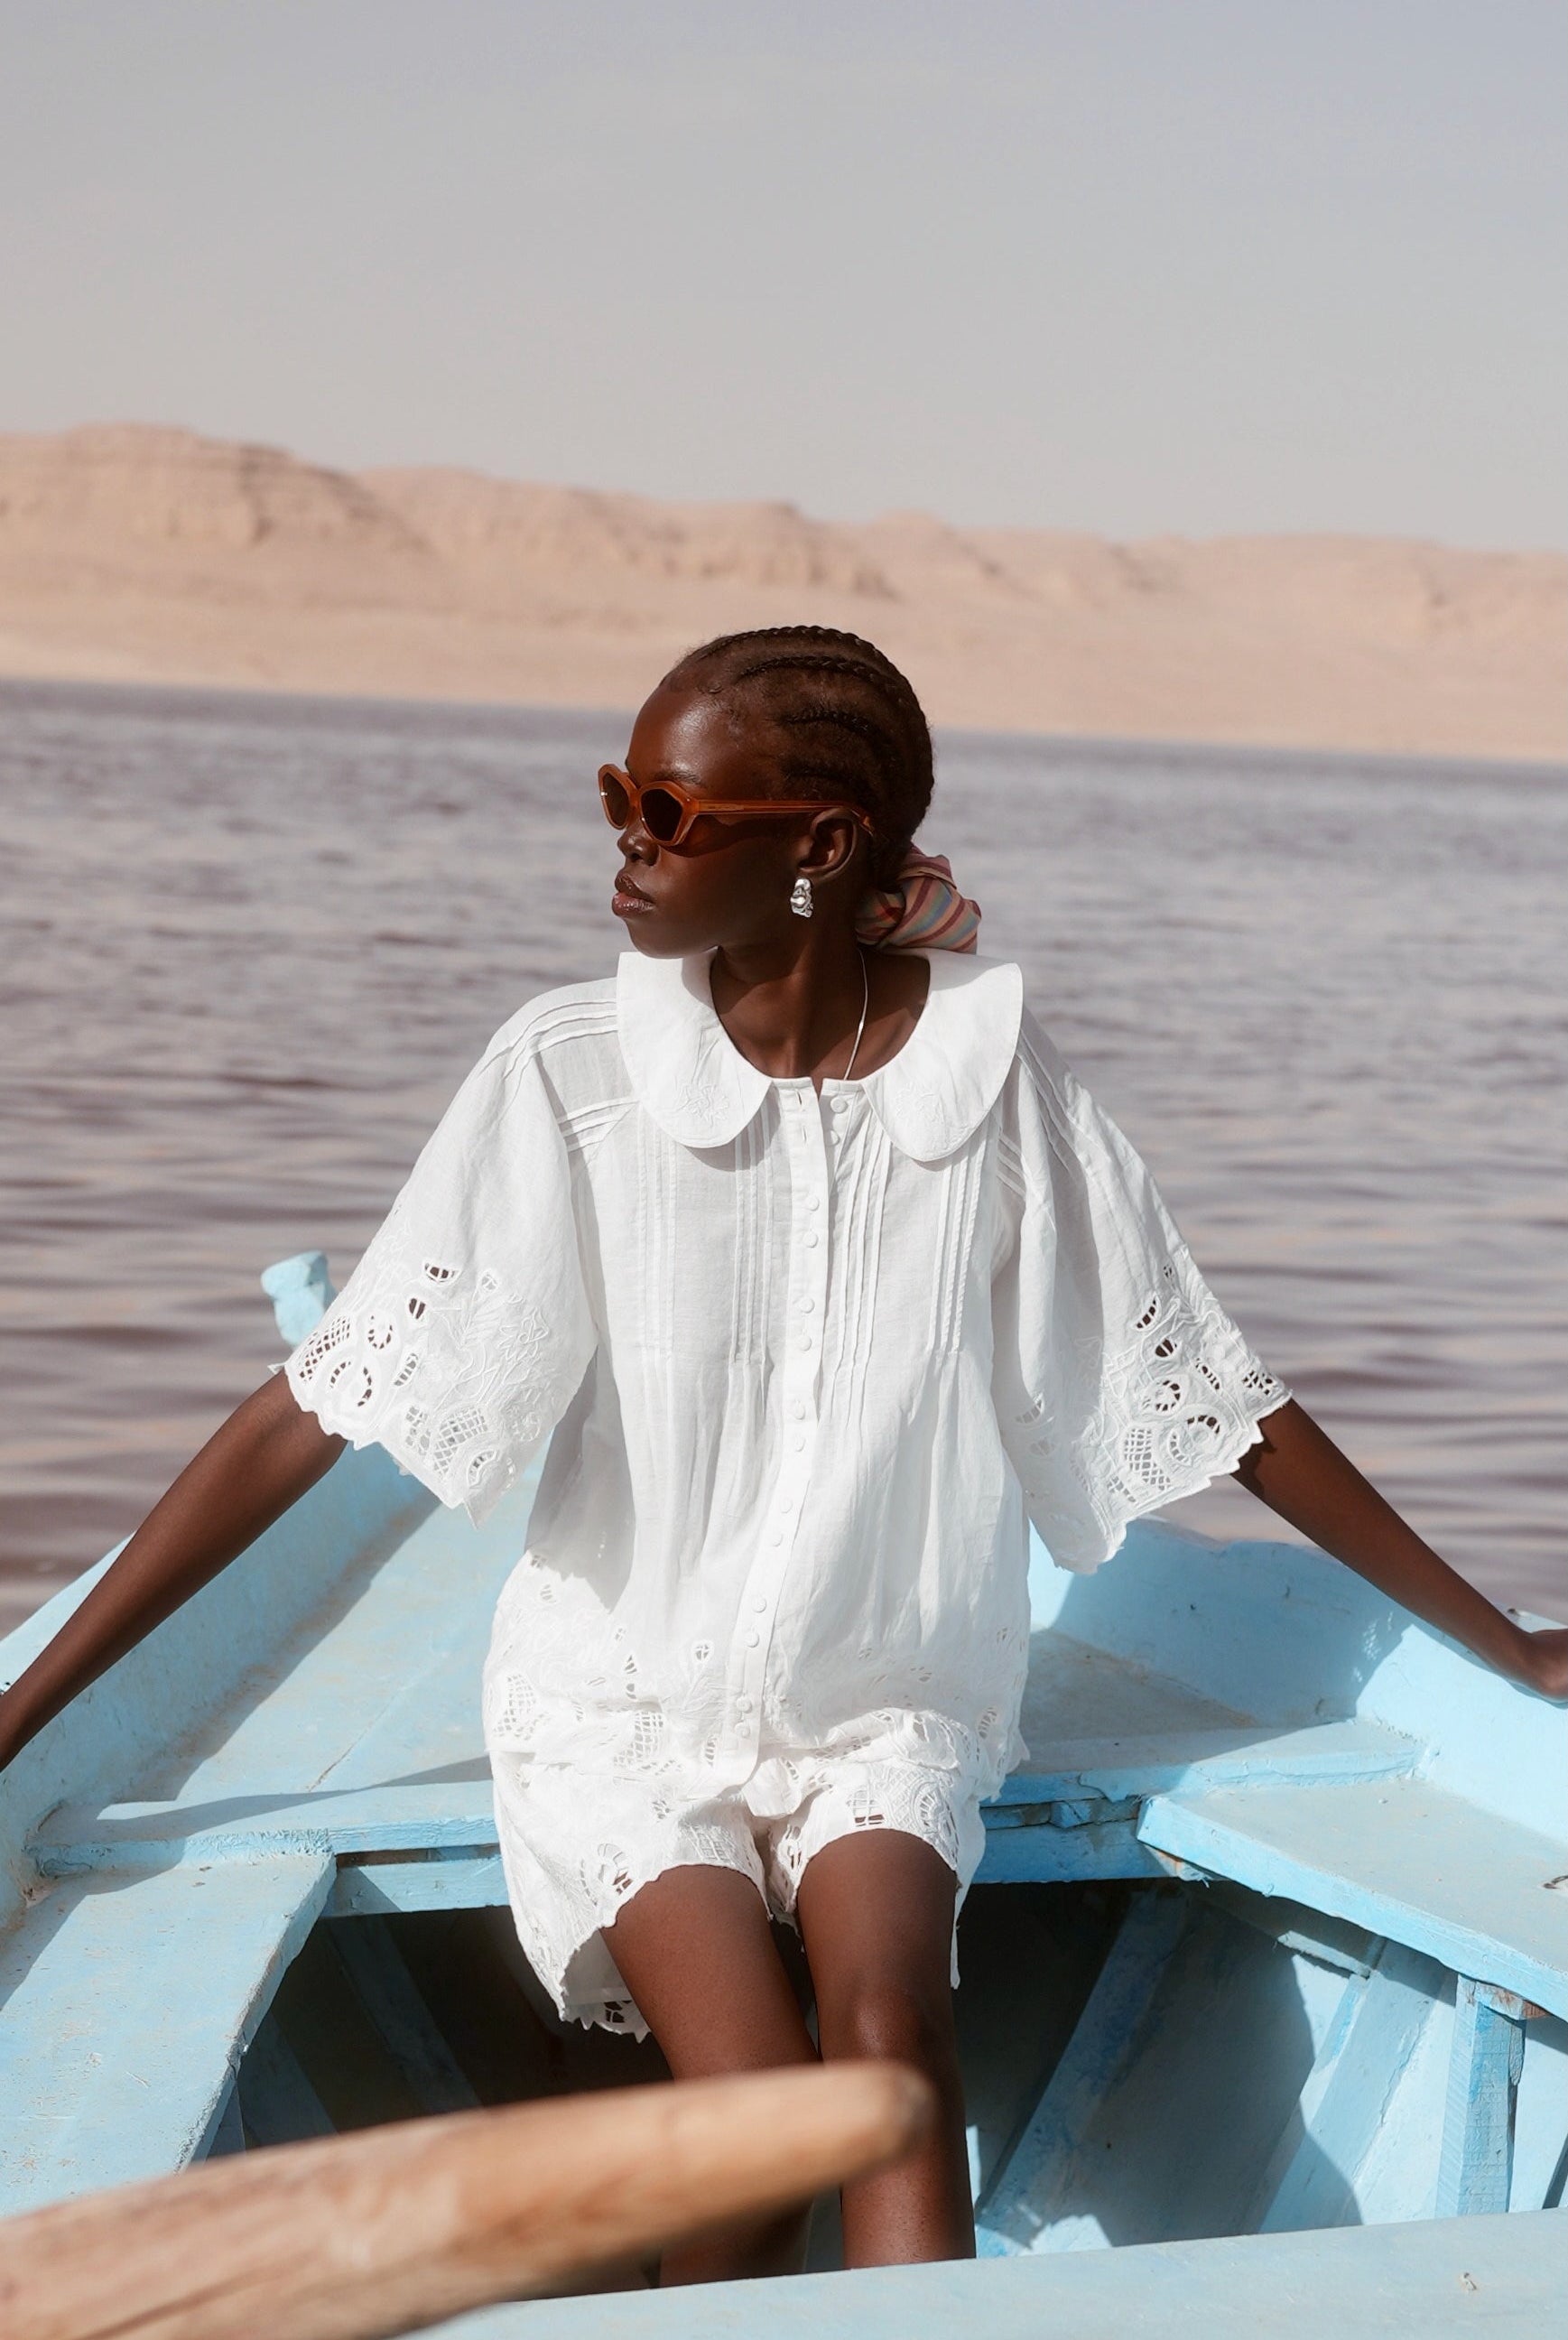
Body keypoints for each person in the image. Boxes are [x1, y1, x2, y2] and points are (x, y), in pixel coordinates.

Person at [1, 626, 1563, 2281]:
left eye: (667, 814)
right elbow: (317, 1405)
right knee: (752, 2099)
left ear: (818, 844)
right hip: (618, 1701)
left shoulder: (995, 1092)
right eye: (618, 801)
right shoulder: (569, 1073)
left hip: (884, 1695)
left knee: (890, 2061)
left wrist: (1510, 1646)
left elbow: (1221, 1403)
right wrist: (24, 1713)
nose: (625, 850)